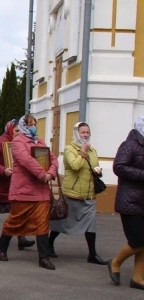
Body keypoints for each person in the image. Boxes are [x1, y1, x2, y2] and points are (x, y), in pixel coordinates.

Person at [0, 114, 58, 270]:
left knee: (42, 223)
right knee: (16, 220)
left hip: (41, 190)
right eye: (29, 124)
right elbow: (25, 160)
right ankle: (2, 247)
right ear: (23, 126)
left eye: (34, 124)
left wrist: (51, 172)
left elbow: (53, 158)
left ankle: (43, 257)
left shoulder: (40, 141)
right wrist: (42, 174)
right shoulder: (18, 142)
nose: (33, 127)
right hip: (23, 189)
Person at [49, 122, 106, 265]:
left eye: (87, 132)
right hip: (72, 193)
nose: (86, 135)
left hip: (89, 193)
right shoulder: (69, 149)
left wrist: (97, 170)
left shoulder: (93, 150)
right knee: (63, 222)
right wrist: (83, 151)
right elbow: (74, 166)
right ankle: (49, 244)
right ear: (76, 133)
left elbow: (94, 165)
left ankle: (92, 254)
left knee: (90, 224)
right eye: (83, 132)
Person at [0, 120, 35, 250]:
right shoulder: (0, 141)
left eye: (21, 130)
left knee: (18, 211)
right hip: (0, 185)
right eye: (17, 130)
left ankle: (21, 238)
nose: (19, 133)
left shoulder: (23, 142)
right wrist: (3, 170)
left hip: (16, 184)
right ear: (10, 129)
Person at [107, 115, 144, 290]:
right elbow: (118, 166)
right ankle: (115, 262)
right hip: (129, 200)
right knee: (137, 240)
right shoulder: (130, 144)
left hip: (141, 201)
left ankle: (138, 278)